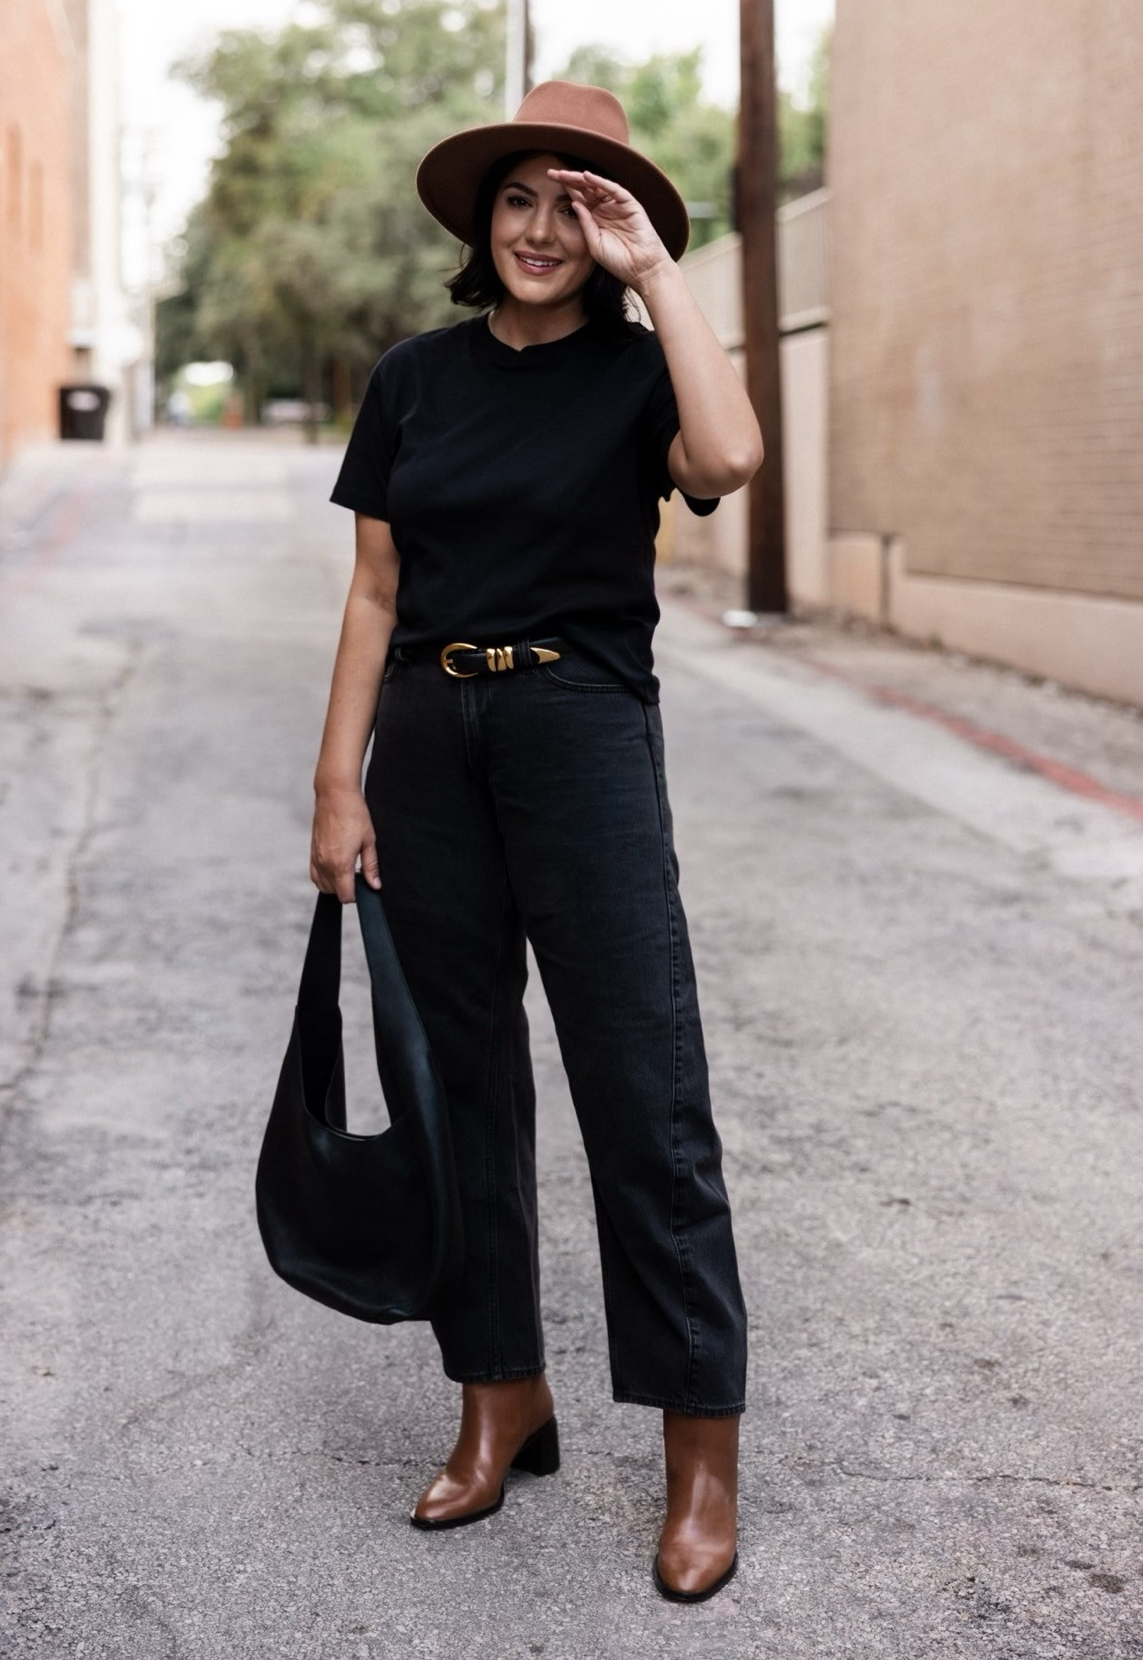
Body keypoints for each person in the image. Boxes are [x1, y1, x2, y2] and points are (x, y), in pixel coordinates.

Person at [309, 80, 763, 1603]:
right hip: (427, 746)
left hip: (579, 734)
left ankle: (701, 1444)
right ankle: (500, 1392)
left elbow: (732, 457)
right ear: (478, 220)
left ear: (612, 229)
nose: (542, 229)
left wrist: (661, 275)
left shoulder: (641, 379)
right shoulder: (414, 381)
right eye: (520, 199)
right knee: (457, 1085)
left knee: (643, 1084)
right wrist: (337, 782)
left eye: (578, 204)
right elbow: (375, 592)